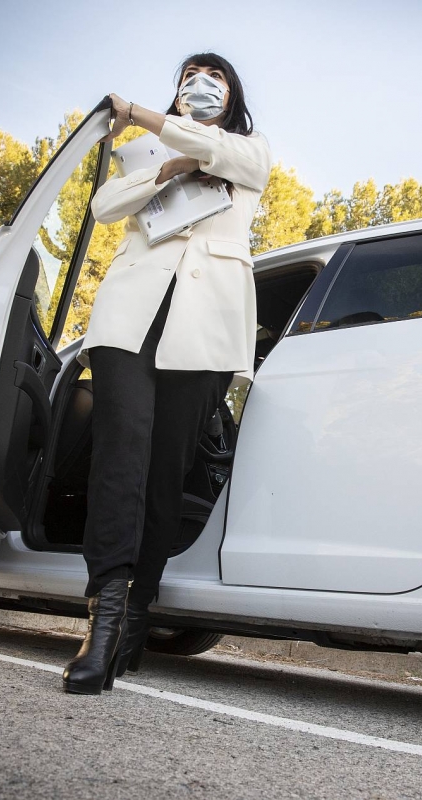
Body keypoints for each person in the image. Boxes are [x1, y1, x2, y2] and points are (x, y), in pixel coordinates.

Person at [60, 53, 271, 694]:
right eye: (188, 78)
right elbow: (104, 207)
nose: (199, 85)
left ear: (232, 95)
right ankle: (103, 619)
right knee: (119, 458)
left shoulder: (248, 150)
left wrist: (139, 114)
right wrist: (164, 170)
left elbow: (217, 151)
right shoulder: (147, 153)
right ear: (176, 94)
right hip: (130, 321)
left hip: (204, 331)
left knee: (163, 474)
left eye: (214, 77)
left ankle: (135, 617)